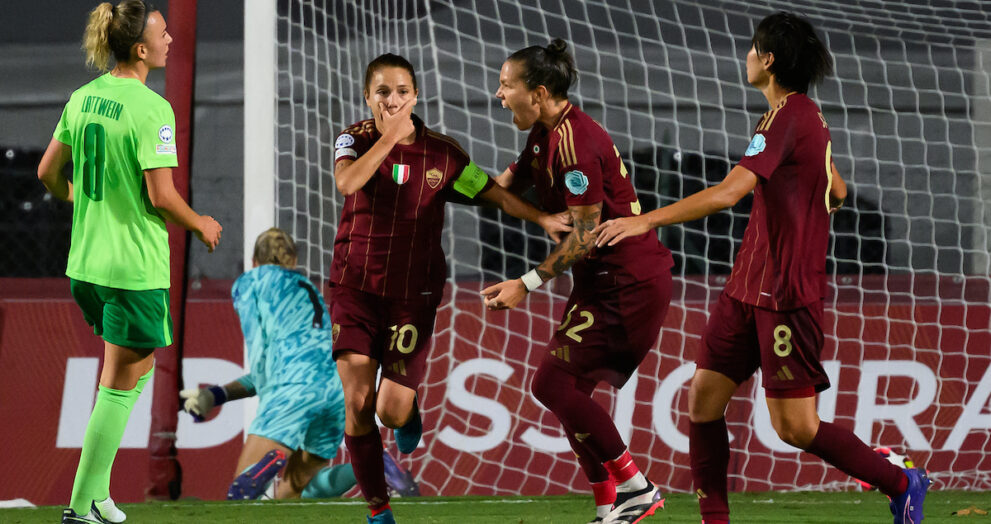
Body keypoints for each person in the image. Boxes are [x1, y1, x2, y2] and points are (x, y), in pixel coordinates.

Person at [593, 12, 930, 524]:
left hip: (785, 296)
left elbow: (729, 194)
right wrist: (808, 209)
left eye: (752, 49)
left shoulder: (787, 117)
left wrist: (645, 222)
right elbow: (836, 190)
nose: (745, 56)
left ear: (768, 60)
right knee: (703, 402)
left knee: (795, 429)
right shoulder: (801, 117)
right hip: (745, 290)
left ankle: (901, 481)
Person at [330, 53, 572, 524]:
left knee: (391, 414)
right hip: (354, 288)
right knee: (357, 401)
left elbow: (491, 192)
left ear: (416, 96)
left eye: (402, 91)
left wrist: (541, 216)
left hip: (412, 296)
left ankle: (409, 406)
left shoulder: (442, 153)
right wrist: (389, 140)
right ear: (367, 97)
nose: (393, 100)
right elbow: (346, 183)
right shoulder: (353, 140)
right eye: (382, 92)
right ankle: (379, 511)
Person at [36, 2, 223, 523]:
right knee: (122, 383)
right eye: (163, 34)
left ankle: (95, 495)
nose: (171, 41)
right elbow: (161, 196)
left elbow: (47, 172)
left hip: (86, 266)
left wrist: (80, 199)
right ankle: (80, 507)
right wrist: (202, 223)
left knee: (127, 374)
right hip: (132, 269)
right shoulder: (151, 109)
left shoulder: (83, 97)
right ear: (140, 49)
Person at [482, 39, 673, 524]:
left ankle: (637, 487)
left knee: (552, 384)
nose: (498, 95)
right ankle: (609, 507)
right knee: (566, 390)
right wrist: (438, 183)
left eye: (507, 85)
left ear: (540, 92)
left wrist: (525, 283)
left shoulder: (575, 145)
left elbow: (585, 235)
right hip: (600, 283)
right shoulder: (544, 135)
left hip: (627, 282)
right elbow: (499, 188)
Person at [179, 228, 418, 501]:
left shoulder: (251, 282)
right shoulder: (309, 290)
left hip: (292, 390)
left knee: (240, 497)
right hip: (336, 389)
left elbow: (262, 364)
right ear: (293, 262)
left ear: (254, 261)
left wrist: (264, 403)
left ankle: (270, 462)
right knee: (294, 493)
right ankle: (377, 465)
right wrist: (215, 395)